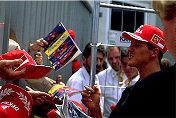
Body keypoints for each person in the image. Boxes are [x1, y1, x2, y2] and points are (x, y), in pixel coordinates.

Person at [82, 24, 170, 117]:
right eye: (131, 44)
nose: (129, 49)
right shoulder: (130, 91)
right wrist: (95, 109)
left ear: (154, 52)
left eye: (137, 44)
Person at [66, 42, 105, 114]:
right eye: (95, 59)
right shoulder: (77, 81)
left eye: (101, 59)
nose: (98, 63)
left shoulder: (94, 77)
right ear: (84, 59)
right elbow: (74, 113)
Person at [96, 46, 124, 117]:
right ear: (107, 59)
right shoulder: (101, 77)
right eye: (111, 58)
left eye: (117, 57)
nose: (114, 61)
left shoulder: (131, 74)